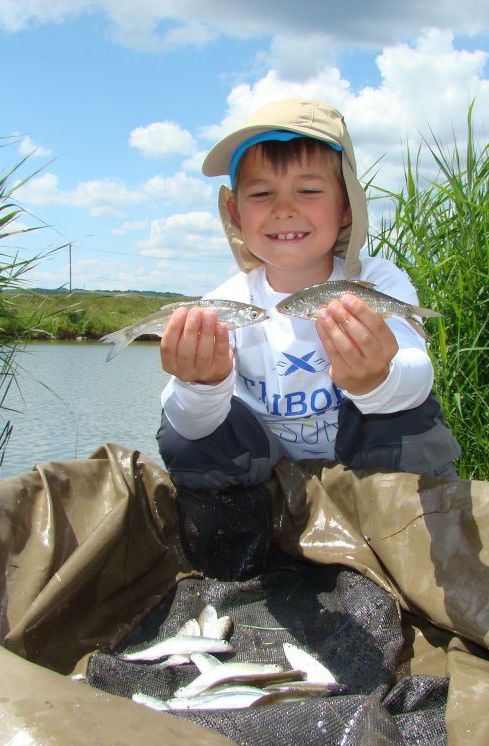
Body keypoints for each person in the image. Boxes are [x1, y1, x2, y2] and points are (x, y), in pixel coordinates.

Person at [156, 98, 460, 492]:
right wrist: (202, 386)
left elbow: (418, 377)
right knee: (185, 435)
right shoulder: (223, 304)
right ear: (234, 211)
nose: (284, 209)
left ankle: (392, 530)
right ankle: (238, 538)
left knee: (407, 413)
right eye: (262, 194)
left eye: (309, 190)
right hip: (268, 480)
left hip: (363, 472)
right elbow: (185, 426)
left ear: (347, 206)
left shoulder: (380, 280)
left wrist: (377, 379)